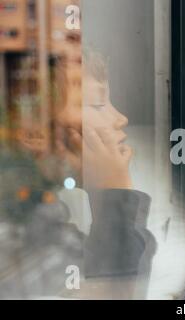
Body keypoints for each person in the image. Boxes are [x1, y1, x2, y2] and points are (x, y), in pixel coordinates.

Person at [0, 49, 156, 299]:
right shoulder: (20, 235)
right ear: (35, 132)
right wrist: (113, 198)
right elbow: (120, 294)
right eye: (97, 104)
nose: (120, 119)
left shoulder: (43, 218)